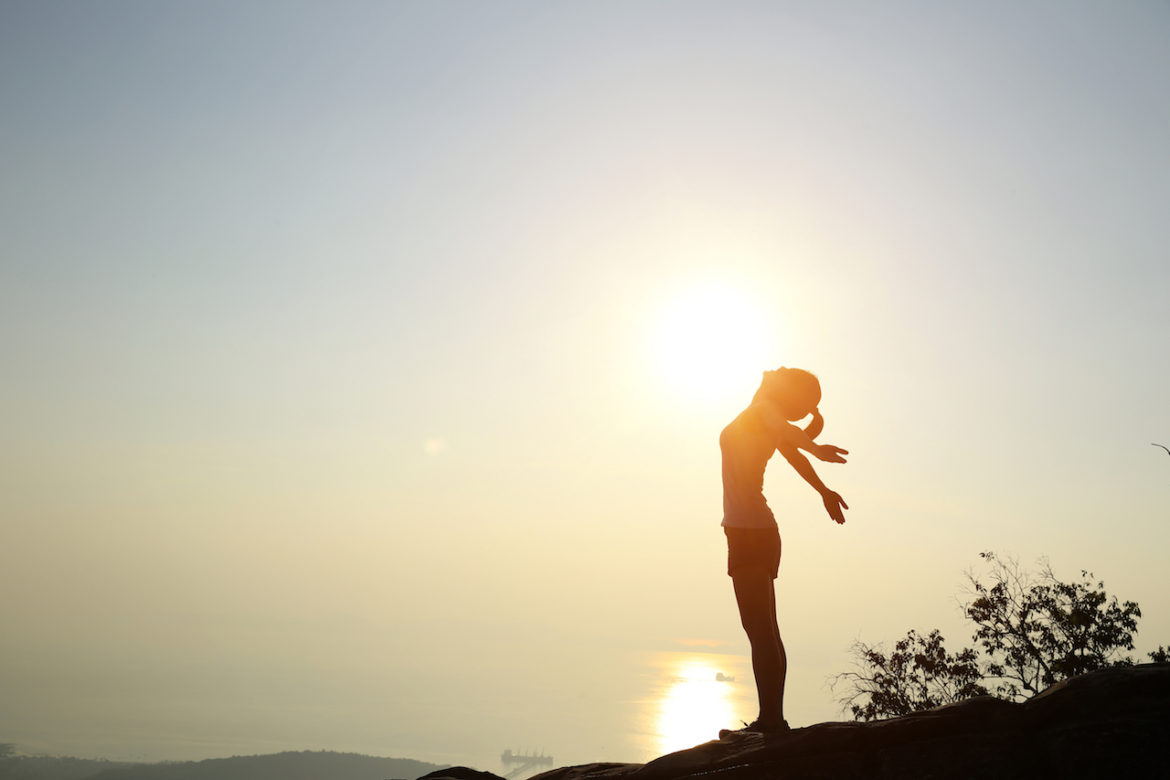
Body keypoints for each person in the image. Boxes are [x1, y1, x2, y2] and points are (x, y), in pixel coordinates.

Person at [719, 367, 848, 736]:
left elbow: (792, 439)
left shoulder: (764, 413)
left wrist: (817, 448)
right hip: (754, 531)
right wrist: (822, 488)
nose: (772, 371)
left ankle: (771, 721)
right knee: (766, 629)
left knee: (760, 630)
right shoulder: (759, 416)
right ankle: (771, 718)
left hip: (750, 533)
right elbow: (793, 452)